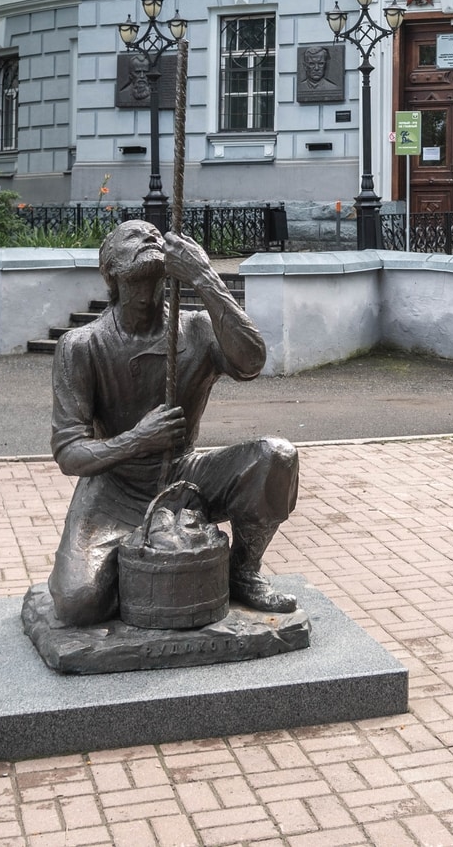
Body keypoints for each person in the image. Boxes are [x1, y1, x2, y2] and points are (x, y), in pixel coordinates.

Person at [46, 219, 296, 626]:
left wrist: (204, 275)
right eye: (133, 235)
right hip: (114, 489)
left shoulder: (195, 328)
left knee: (276, 456)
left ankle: (243, 570)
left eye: (155, 234)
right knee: (77, 603)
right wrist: (136, 440)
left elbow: (252, 361)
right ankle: (134, 567)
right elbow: (69, 452)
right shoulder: (82, 346)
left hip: (186, 478)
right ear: (109, 267)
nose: (151, 237)